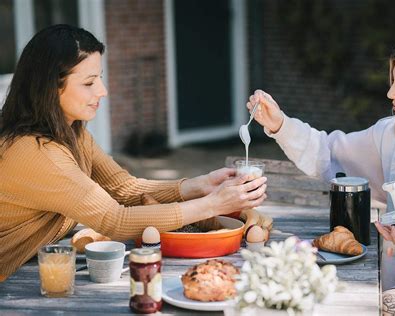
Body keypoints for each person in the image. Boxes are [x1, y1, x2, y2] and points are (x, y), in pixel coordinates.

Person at [0, 24, 267, 281]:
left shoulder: (73, 133)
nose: (102, 91)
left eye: (100, 79)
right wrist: (212, 204)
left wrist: (201, 185)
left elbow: (124, 188)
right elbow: (114, 219)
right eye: (89, 82)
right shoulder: (36, 153)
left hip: (29, 269)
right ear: (50, 88)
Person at [246, 33, 395, 315]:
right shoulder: (393, 134)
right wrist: (280, 124)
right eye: (393, 81)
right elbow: (328, 154)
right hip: (392, 294)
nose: (391, 93)